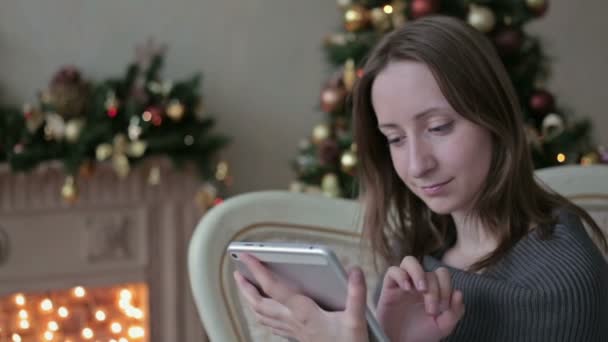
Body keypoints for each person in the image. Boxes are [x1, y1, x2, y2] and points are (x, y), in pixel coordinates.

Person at [233, 15, 608, 342]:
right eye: (395, 138)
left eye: (439, 127)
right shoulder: (422, 254)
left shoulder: (560, 285)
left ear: (494, 118)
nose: (416, 165)